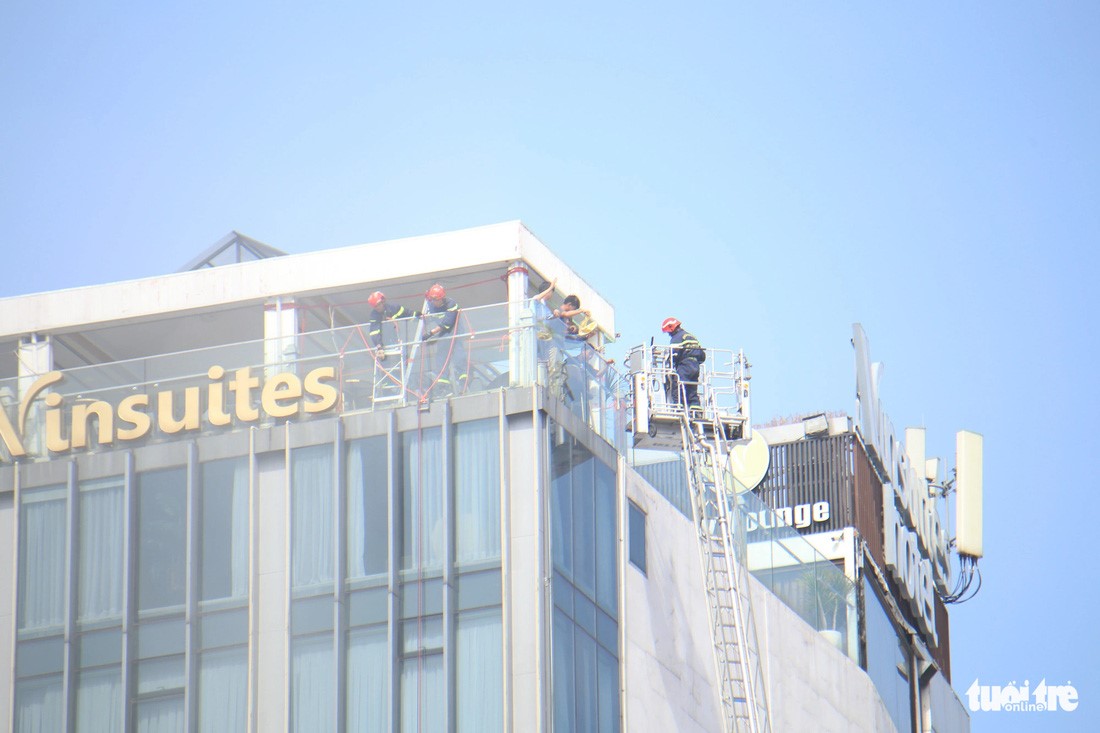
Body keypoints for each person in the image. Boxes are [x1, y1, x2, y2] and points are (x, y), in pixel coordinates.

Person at [419, 283, 468, 395]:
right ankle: (443, 383)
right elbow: (430, 318)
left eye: (438, 300)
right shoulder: (431, 305)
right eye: (433, 300)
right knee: (441, 356)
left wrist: (430, 333)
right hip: (444, 335)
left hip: (455, 332)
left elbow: (447, 323)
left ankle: (463, 378)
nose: (436, 302)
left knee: (458, 354)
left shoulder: (451, 304)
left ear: (442, 298)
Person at [662, 317, 705, 411]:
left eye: (669, 332)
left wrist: (669, 361)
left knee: (677, 384)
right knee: (692, 389)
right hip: (695, 366)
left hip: (685, 365)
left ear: (671, 328)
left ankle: (678, 407)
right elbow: (702, 355)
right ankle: (696, 409)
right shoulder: (691, 336)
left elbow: (675, 355)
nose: (669, 334)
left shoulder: (676, 338)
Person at [367, 291, 418, 361]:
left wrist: (417, 315)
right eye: (375, 306)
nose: (377, 307)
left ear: (383, 302)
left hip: (400, 340)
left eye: (378, 305)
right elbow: (374, 332)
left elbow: (408, 313)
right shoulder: (374, 316)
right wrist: (379, 347)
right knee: (386, 363)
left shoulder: (395, 308)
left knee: (404, 361)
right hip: (385, 344)